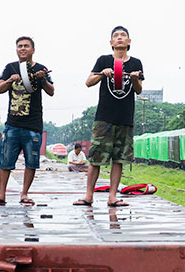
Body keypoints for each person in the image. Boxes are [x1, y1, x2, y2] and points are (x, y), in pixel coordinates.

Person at [74, 26, 143, 207]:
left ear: (129, 42)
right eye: (116, 36)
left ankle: (113, 196)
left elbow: (138, 89)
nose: (120, 38)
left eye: (123, 36)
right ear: (111, 43)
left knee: (118, 159)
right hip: (104, 117)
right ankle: (88, 195)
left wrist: (135, 78)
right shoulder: (103, 60)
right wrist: (102, 74)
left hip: (125, 117)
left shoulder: (136, 63)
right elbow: (88, 82)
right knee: (96, 158)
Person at [0, 36, 54, 206]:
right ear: (16, 50)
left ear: (33, 50)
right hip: (12, 123)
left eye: (26, 46)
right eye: (19, 46)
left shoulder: (41, 69)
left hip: (33, 124)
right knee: (5, 161)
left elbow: (51, 91)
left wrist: (42, 79)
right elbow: (0, 89)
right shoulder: (10, 68)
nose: (23, 49)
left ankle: (24, 194)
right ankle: (1, 195)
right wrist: (10, 80)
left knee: (31, 161)